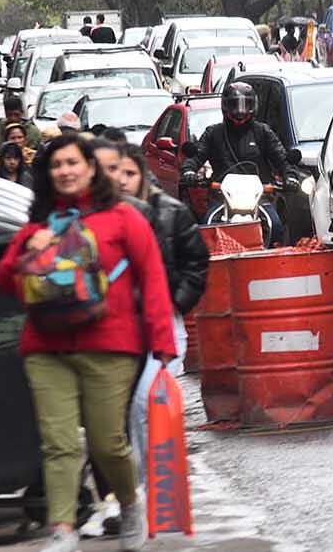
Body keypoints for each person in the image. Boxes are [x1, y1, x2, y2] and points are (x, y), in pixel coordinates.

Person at [0, 133, 175, 552]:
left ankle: (129, 504)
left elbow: (152, 281)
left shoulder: (123, 218)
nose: (65, 171)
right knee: (57, 444)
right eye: (57, 166)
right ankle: (62, 529)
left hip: (111, 345)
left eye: (73, 163)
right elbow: (3, 280)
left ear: (91, 167)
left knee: (106, 442)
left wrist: (163, 345)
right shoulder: (38, 224)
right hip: (45, 347)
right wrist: (28, 251)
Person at [107, 145, 207, 478]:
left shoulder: (170, 213)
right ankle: (136, 484)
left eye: (129, 173)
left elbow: (196, 263)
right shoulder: (100, 218)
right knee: (121, 412)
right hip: (118, 332)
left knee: (147, 402)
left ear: (142, 175)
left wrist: (174, 302)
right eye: (114, 173)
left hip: (163, 328)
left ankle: (161, 478)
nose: (122, 181)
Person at [179, 81, 299, 243]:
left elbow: (282, 159)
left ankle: (274, 258)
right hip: (221, 198)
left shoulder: (263, 132)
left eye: (245, 105)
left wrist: (290, 176)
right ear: (225, 107)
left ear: (253, 106)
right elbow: (196, 156)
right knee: (207, 228)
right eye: (234, 105)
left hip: (260, 198)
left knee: (276, 226)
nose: (240, 111)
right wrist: (189, 171)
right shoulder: (214, 133)